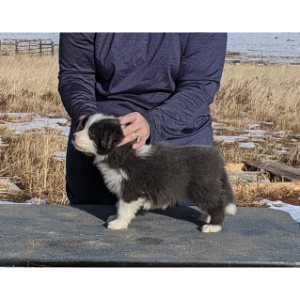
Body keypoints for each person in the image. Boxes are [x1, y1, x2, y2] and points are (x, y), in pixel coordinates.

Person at [58, 32, 228, 206]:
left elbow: (200, 86)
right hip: (100, 154)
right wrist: (87, 118)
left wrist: (153, 123)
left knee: (183, 231)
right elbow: (75, 75)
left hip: (180, 155)